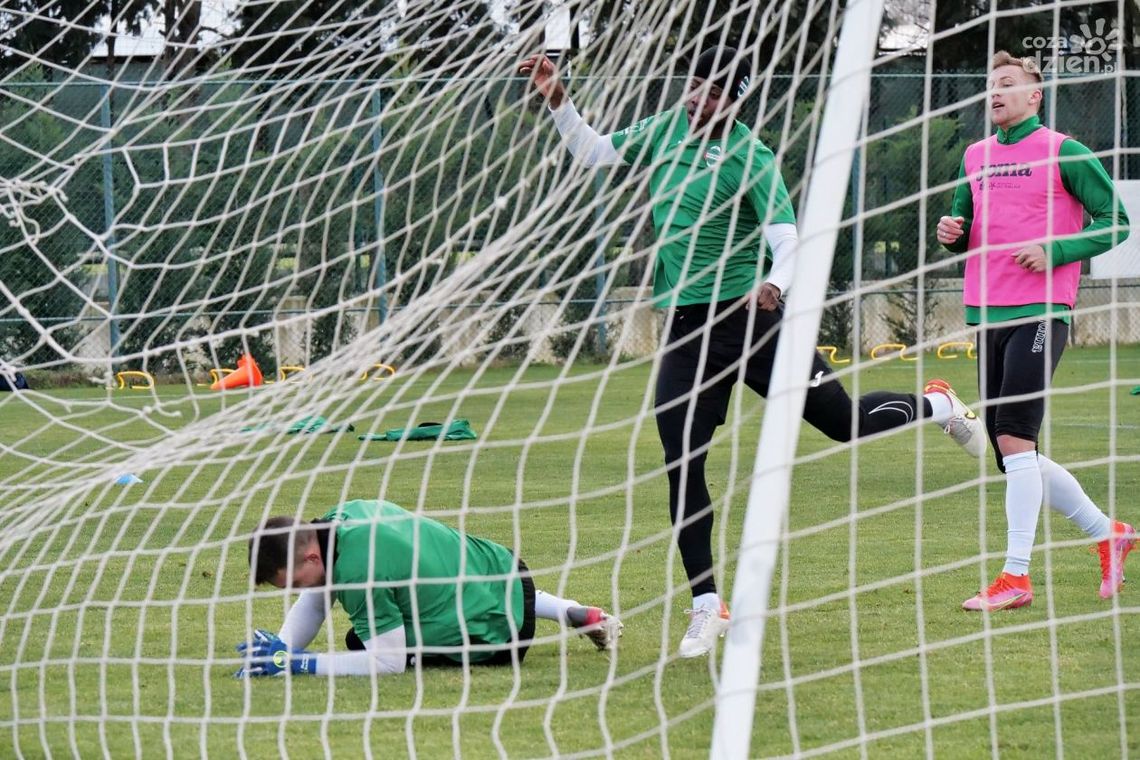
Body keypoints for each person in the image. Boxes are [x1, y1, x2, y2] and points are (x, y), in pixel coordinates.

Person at [519, 46, 986, 657]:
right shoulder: (664, 129)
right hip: (689, 330)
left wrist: (775, 284)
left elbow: (788, 239)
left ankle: (940, 406)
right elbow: (591, 151)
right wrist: (558, 98)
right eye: (693, 86)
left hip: (757, 324)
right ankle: (708, 604)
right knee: (681, 456)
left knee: (843, 425)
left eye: (712, 92)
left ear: (736, 98)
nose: (697, 99)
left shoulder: (751, 155)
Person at [938, 51, 1134, 612]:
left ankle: (1016, 577)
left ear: (1034, 95)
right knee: (1011, 452)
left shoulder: (1064, 150)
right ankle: (1109, 534)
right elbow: (962, 227)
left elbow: (1115, 222)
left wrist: (1055, 249)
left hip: (1041, 310)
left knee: (1016, 440)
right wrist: (951, 232)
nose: (995, 93)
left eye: (1007, 84)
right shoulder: (974, 156)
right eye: (990, 86)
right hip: (985, 312)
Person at [235, 499, 622, 677]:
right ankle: (571, 610)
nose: (296, 592)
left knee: (361, 644)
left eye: (295, 583)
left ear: (311, 559)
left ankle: (560, 613)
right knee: (444, 593)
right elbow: (316, 600)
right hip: (503, 572)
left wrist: (297, 663)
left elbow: (388, 664)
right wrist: (283, 646)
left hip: (498, 634)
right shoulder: (345, 516)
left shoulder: (356, 572)